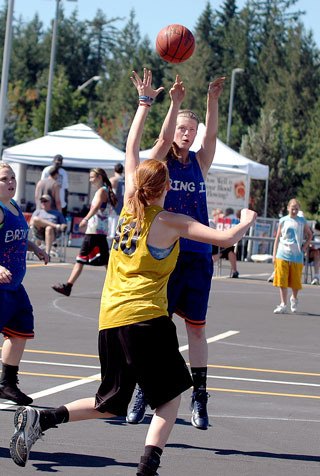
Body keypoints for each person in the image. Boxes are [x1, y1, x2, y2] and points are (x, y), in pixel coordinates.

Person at [9, 68, 256, 475]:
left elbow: (133, 147)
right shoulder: (170, 220)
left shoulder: (127, 204)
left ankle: (43, 418)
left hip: (111, 319)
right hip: (144, 319)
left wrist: (144, 104)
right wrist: (245, 220)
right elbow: (225, 241)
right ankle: (147, 469)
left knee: (111, 403)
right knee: (172, 397)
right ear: (163, 188)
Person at [127, 70, 226, 430]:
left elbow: (212, 135)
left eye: (192, 130)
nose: (188, 134)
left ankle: (199, 398)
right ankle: (145, 389)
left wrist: (212, 100)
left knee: (196, 330)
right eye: (183, 129)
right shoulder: (160, 163)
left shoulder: (199, 162)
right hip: (164, 255)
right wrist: (175, 105)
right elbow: (162, 136)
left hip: (197, 257)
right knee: (158, 329)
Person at [0, 163, 49, 406]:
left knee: (19, 332)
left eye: (11, 177)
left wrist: (36, 248)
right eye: (3, 179)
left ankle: (7, 384)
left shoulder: (15, 206)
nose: (10, 182)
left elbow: (20, 237)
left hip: (15, 287)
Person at [51, 168, 116, 297]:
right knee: (105, 261)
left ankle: (68, 286)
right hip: (100, 231)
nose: (90, 180)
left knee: (81, 259)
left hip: (94, 231)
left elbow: (96, 207)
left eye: (92, 177)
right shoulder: (106, 191)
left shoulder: (101, 191)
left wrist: (85, 219)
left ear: (100, 177)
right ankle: (116, 286)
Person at [273, 198, 313, 314]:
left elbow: (309, 235)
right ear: (288, 208)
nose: (294, 210)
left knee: (295, 280)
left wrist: (304, 247)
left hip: (296, 255)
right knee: (282, 279)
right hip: (282, 253)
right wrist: (274, 254)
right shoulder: (283, 220)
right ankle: (283, 304)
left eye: (296, 208)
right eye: (292, 208)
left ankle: (294, 299)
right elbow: (277, 238)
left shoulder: (301, 221)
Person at [212, 207, 240, 278]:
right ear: (215, 215)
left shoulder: (224, 224)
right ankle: (234, 271)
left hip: (222, 244)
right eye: (219, 215)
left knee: (230, 250)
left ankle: (234, 271)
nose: (222, 216)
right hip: (213, 244)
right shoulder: (210, 222)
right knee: (228, 249)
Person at [108, 162, 125, 240]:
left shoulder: (113, 180)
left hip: (114, 206)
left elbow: (110, 194)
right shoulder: (126, 180)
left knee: (111, 229)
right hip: (123, 206)